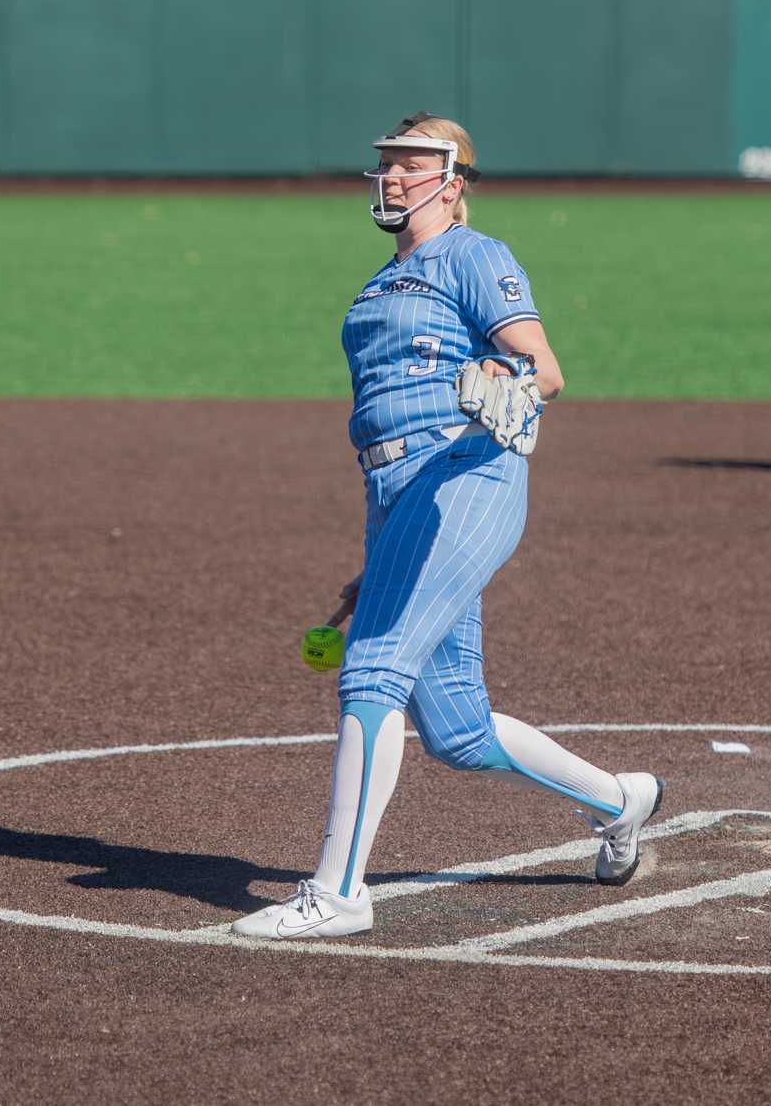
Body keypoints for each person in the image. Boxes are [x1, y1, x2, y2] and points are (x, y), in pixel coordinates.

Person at [232, 112, 665, 940]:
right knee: (458, 728)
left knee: (373, 670)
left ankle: (340, 891)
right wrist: (378, 557)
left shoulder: (473, 254)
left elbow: (544, 365)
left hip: (467, 473)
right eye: (387, 163)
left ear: (453, 178)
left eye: (411, 163)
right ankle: (621, 801)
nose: (392, 176)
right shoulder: (378, 284)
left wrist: (508, 374)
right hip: (399, 492)